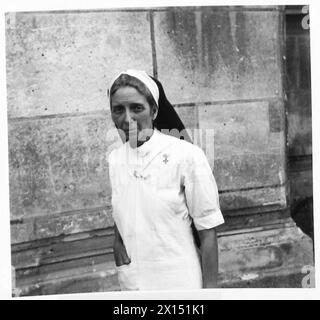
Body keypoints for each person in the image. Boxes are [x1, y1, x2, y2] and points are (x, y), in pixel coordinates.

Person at [107, 69, 224, 290]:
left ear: (154, 111)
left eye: (137, 108)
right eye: (118, 110)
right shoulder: (115, 159)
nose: (127, 118)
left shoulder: (187, 156)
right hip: (134, 280)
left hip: (179, 279)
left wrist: (210, 294)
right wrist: (117, 239)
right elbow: (124, 200)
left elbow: (208, 232)